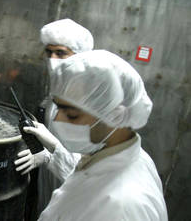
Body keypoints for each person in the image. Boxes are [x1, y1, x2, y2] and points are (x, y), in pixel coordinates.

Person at [26, 50, 168, 220]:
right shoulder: (121, 156)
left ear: (114, 116)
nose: (57, 119)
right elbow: (90, 179)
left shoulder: (122, 209)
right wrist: (54, 152)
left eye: (71, 114)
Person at [14, 18, 94, 218]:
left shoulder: (91, 99)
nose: (52, 59)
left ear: (80, 55)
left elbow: (87, 173)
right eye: (49, 52)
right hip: (51, 179)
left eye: (61, 53)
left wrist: (53, 152)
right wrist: (46, 157)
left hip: (76, 192)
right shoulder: (59, 88)